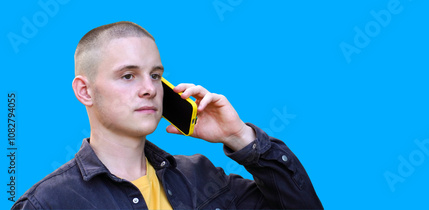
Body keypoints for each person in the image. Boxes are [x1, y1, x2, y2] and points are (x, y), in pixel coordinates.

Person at [12, 21, 323, 209]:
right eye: (128, 76)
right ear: (85, 91)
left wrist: (240, 137)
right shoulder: (48, 203)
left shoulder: (203, 177)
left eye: (156, 75)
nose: (149, 89)